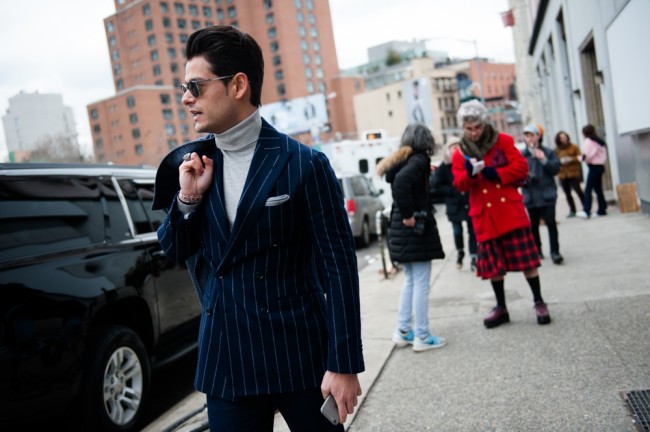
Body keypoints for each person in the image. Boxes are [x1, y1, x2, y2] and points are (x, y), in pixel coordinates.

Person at [152, 25, 364, 431]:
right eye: (184, 88)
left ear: (238, 85)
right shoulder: (191, 165)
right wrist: (188, 199)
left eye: (195, 86)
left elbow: (339, 270)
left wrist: (344, 363)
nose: (186, 98)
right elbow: (175, 250)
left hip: (300, 355)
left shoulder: (304, 163)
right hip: (227, 361)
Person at [451, 100, 551, 328]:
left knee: (527, 262)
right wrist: (470, 174)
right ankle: (501, 307)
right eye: (468, 128)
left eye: (477, 127)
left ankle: (539, 301)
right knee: (494, 267)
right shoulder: (459, 153)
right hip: (484, 215)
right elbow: (459, 185)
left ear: (484, 123)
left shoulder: (502, 140)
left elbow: (521, 168)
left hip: (509, 210)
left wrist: (495, 173)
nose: (473, 132)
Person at [376, 123, 447, 352]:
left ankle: (403, 330)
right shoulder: (418, 159)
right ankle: (422, 336)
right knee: (421, 284)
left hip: (401, 230)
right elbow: (401, 183)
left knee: (411, 281)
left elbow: (400, 181)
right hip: (414, 230)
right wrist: (409, 215)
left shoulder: (405, 159)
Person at [432, 136, 477, 271]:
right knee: (457, 231)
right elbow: (437, 185)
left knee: (472, 231)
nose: (455, 149)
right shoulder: (444, 167)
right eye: (453, 147)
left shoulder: (467, 162)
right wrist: (451, 190)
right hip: (454, 204)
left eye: (458, 146)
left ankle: (474, 256)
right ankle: (460, 252)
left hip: (468, 201)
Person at [521, 124, 563, 265]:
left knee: (551, 224)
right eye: (527, 136)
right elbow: (517, 175)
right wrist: (526, 178)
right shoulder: (522, 155)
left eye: (532, 135)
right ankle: (537, 251)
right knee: (533, 226)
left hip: (547, 195)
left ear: (538, 136)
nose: (530, 138)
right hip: (531, 196)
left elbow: (555, 169)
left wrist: (543, 160)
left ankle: (555, 252)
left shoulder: (548, 152)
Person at [576, 124, 608, 218]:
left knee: (588, 189)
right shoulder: (599, 141)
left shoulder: (589, 141)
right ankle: (602, 209)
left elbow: (586, 155)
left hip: (594, 167)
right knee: (598, 189)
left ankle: (586, 210)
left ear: (584, 133)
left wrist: (579, 158)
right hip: (600, 166)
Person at [555, 131, 585, 218]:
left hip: (573, 173)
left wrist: (571, 159)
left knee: (578, 191)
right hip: (563, 174)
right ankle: (572, 210)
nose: (563, 139)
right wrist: (560, 161)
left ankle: (586, 206)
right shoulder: (557, 149)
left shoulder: (574, 147)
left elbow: (580, 157)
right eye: (561, 138)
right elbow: (555, 161)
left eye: (565, 137)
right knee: (567, 193)